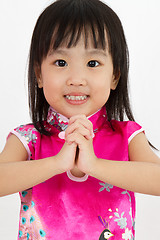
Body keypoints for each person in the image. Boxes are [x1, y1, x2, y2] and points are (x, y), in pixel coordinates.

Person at [0, 0, 159, 239]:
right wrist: (57, 163)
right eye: (61, 63)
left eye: (93, 63)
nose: (76, 78)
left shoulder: (128, 135)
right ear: (38, 74)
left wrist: (93, 165)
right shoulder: (27, 138)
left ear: (115, 76)